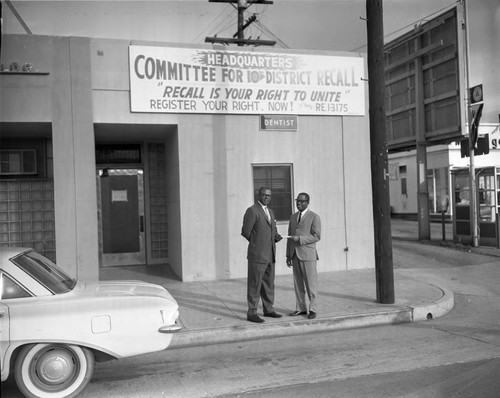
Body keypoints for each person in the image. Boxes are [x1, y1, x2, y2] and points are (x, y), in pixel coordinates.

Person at [241, 187, 283, 323]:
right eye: (264, 195)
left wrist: (275, 236)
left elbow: (272, 229)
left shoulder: (271, 211)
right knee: (255, 284)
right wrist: (257, 244)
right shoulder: (252, 211)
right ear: (259, 195)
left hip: (270, 254)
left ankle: (268, 309)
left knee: (269, 283)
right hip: (257, 254)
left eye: (269, 196)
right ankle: (252, 312)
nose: (267, 197)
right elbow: (246, 231)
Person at [286, 192, 321, 319]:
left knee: (311, 284)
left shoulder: (314, 217)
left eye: (301, 201)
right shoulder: (293, 217)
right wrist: (288, 255)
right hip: (295, 255)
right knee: (298, 284)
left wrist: (299, 239)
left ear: (307, 202)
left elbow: (316, 236)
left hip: (308, 255)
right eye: (297, 201)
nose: (299, 203)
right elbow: (290, 237)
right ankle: (301, 308)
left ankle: (313, 309)